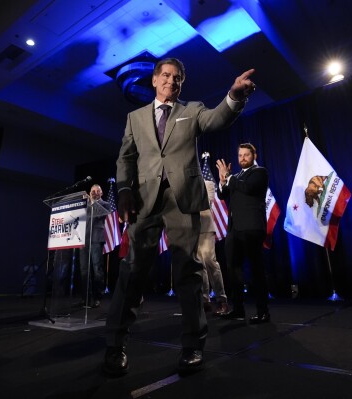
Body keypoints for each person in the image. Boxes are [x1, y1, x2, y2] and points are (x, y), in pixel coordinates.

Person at [103, 57, 256, 377]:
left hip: (184, 201)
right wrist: (125, 190)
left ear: (181, 84)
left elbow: (217, 119)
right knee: (131, 272)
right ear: (155, 80)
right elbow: (125, 158)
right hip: (144, 202)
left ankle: (193, 346)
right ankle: (115, 345)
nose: (172, 81)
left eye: (178, 78)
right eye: (167, 76)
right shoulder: (135, 118)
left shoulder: (192, 110)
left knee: (189, 271)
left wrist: (235, 95)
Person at [215, 143, 270, 323]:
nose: (242, 158)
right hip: (234, 230)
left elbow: (248, 188)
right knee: (233, 271)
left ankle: (263, 312)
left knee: (256, 271)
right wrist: (222, 181)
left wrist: (229, 177)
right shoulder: (236, 177)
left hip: (252, 228)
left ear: (254, 155)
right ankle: (238, 309)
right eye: (240, 155)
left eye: (246, 155)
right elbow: (223, 195)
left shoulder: (260, 172)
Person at [78, 184, 111, 308]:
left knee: (97, 269)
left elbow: (100, 214)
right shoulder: (85, 204)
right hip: (83, 239)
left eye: (98, 191)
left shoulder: (105, 204)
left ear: (101, 193)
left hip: (96, 239)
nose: (95, 192)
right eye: (93, 191)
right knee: (83, 270)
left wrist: (91, 201)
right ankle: (85, 298)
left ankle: (98, 297)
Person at [198, 180, 228, 316]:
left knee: (210, 261)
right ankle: (205, 301)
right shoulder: (184, 184)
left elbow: (206, 202)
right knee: (199, 266)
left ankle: (221, 299)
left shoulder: (208, 184)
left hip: (205, 228)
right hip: (190, 230)